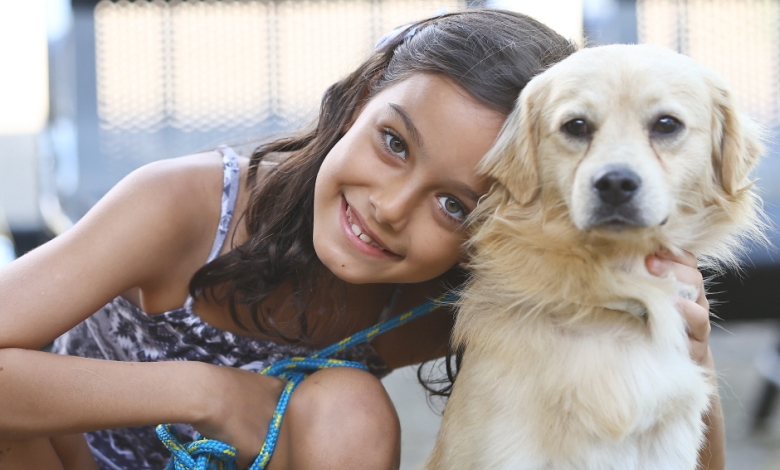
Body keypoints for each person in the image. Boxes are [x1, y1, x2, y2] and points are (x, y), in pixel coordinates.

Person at [0, 9, 724, 470]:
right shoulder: (190, 205)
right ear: (363, 93)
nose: (389, 208)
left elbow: (667, 448)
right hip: (61, 457)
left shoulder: (457, 300)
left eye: (452, 204)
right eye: (392, 142)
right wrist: (208, 391)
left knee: (348, 404)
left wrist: (687, 348)